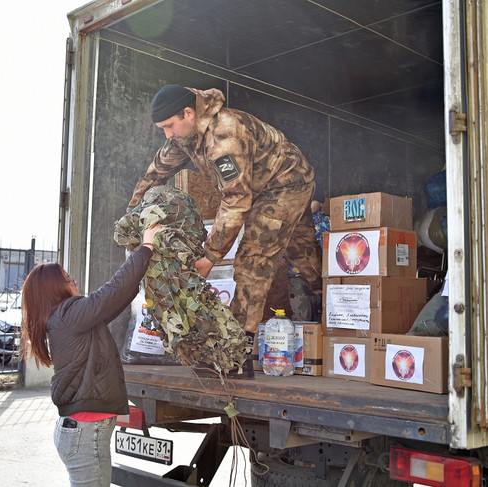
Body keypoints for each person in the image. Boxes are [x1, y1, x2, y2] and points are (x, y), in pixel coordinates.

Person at [128, 84, 323, 378]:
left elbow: (235, 201)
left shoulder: (224, 136)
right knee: (303, 253)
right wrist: (133, 216)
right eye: (162, 128)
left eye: (169, 126)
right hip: (259, 187)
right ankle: (332, 307)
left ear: (189, 113)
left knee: (253, 261)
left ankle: (235, 355)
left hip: (285, 185)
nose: (167, 134)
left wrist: (210, 256)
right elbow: (155, 172)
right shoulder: (185, 135)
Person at [21, 223, 161, 487]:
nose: (73, 281)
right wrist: (146, 248)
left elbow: (112, 303)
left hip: (81, 431)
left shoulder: (64, 317)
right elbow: (109, 295)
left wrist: (142, 268)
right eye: (67, 279)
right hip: (86, 432)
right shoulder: (68, 315)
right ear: (54, 288)